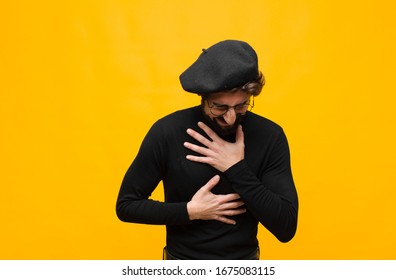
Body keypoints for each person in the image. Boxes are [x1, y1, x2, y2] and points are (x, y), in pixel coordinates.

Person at [116, 40, 298, 260]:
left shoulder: (269, 136)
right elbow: (126, 205)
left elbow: (286, 227)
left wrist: (236, 167)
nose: (230, 117)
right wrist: (190, 211)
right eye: (219, 107)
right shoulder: (168, 131)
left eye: (241, 105)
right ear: (203, 97)